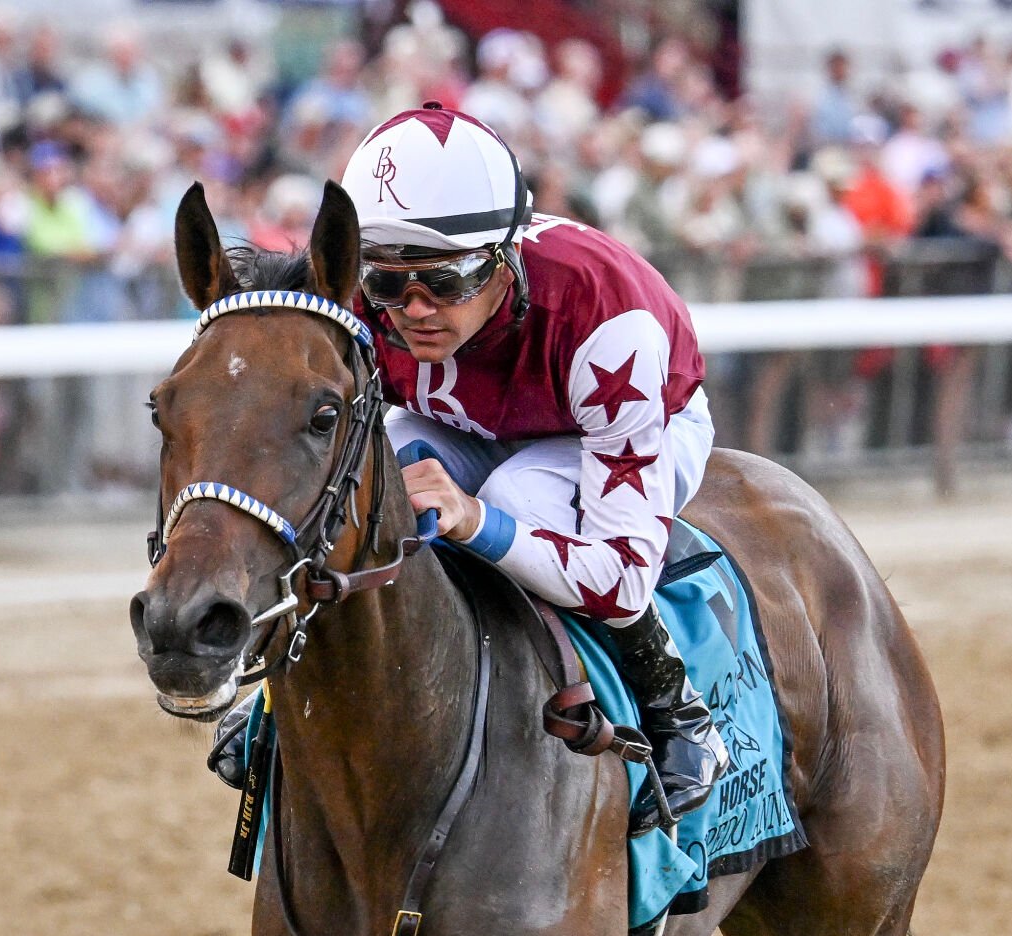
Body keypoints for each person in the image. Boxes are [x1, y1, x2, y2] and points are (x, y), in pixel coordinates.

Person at [214, 104, 728, 829]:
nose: (415, 309)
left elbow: (618, 580)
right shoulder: (364, 305)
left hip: (624, 425)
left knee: (515, 493)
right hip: (468, 415)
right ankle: (271, 698)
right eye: (388, 283)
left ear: (503, 256)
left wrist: (477, 520)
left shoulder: (608, 321)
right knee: (357, 486)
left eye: (448, 280)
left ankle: (678, 712)